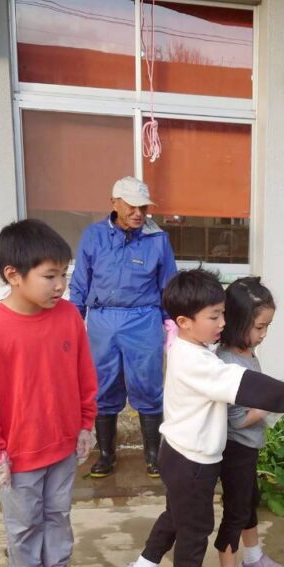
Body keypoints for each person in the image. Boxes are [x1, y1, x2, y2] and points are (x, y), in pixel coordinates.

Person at [114, 269, 284, 567]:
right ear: (184, 322)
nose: (223, 323)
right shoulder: (198, 362)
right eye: (214, 316)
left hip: (181, 454)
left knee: (177, 517)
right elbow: (241, 383)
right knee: (196, 528)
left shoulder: (194, 350)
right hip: (191, 461)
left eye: (223, 314)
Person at [0, 219, 98, 567]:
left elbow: (84, 375)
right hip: (18, 454)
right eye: (50, 276)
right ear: (14, 275)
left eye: (64, 275)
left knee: (58, 515)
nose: (60, 285)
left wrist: (85, 424)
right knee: (23, 523)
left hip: (62, 445)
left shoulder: (69, 317)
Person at [69, 176, 177, 480]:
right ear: (114, 203)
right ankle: (106, 455)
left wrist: (172, 323)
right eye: (132, 206)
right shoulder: (94, 236)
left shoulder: (158, 239)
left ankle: (153, 456)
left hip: (143, 320)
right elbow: (80, 281)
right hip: (102, 320)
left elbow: (169, 285)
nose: (139, 213)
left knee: (148, 386)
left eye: (144, 207)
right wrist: (73, 320)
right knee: (103, 387)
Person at [213, 277, 284, 567]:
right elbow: (237, 420)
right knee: (236, 509)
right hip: (235, 449)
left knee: (249, 500)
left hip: (248, 447)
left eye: (267, 326)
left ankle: (253, 556)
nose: (264, 334)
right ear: (237, 321)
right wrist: (273, 401)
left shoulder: (246, 352)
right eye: (259, 327)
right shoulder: (227, 362)